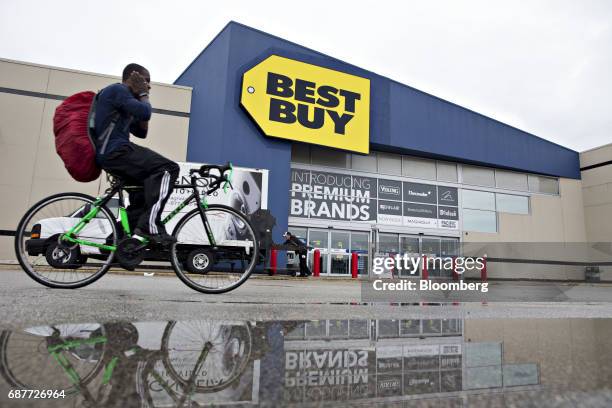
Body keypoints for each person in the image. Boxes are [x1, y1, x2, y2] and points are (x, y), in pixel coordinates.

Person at [94, 63, 180, 244]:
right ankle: (150, 226)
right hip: (116, 151)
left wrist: (142, 98)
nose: (148, 86)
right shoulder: (118, 90)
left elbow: (141, 132)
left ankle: (118, 241)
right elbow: (145, 111)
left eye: (149, 83)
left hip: (113, 154)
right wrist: (143, 95)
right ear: (132, 77)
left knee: (143, 192)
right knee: (169, 168)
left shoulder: (124, 100)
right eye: (145, 80)